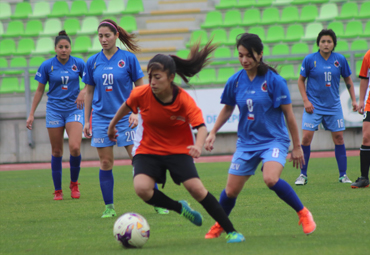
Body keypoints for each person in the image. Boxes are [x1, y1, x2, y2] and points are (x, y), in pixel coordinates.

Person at [107, 41, 245, 243]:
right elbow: (126, 106)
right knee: (142, 188)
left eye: (157, 77)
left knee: (197, 190)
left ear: (171, 78)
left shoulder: (183, 99)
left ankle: (231, 231)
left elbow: (201, 127)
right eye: (150, 77)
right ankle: (180, 208)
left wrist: (198, 146)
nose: (152, 82)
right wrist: (111, 127)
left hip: (179, 150)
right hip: (148, 150)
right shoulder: (141, 93)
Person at [203, 33, 316, 239]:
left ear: (260, 54)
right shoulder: (235, 81)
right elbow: (227, 109)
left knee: (270, 178)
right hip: (246, 143)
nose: (244, 60)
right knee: (230, 192)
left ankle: (304, 213)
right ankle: (221, 224)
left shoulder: (274, 81)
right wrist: (212, 133)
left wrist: (296, 146)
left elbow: (289, 115)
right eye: (240, 55)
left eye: (248, 55)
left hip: (273, 140)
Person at [82, 19, 167, 218]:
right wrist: (87, 120)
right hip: (102, 119)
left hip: (126, 117)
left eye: (107, 35)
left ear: (116, 36)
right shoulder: (92, 62)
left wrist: (137, 113)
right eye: (100, 36)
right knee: (105, 163)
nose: (103, 40)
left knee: (140, 160)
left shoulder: (128, 59)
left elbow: (140, 89)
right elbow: (88, 92)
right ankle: (109, 208)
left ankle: (158, 202)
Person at [26, 30, 85, 200]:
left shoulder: (79, 64)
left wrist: (83, 91)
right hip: (54, 110)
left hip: (74, 108)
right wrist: (31, 114)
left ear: (70, 48)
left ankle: (74, 184)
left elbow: (89, 83)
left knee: (74, 147)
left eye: (66, 47)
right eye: (61, 47)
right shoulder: (47, 66)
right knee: (57, 151)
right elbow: (39, 91)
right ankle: (58, 190)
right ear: (55, 48)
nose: (64, 50)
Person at [295, 29, 359, 185]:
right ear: (318, 43)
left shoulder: (340, 60)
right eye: (323, 41)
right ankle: (302, 175)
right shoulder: (310, 59)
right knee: (306, 138)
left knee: (338, 138)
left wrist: (354, 100)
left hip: (333, 106)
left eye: (329, 41)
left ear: (333, 44)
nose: (325, 44)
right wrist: (306, 101)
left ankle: (343, 175)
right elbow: (300, 81)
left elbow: (348, 80)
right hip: (313, 106)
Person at [351, 49, 370, 188]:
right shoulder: (368, 55)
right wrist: (361, 101)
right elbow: (364, 78)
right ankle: (364, 177)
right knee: (366, 137)